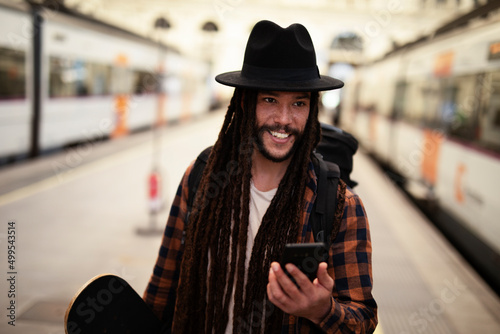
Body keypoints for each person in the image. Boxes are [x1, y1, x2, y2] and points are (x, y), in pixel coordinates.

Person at [143, 20, 377, 334]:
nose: (283, 119)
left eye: (298, 103)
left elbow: (362, 321)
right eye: (269, 100)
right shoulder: (202, 177)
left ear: (312, 109)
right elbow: (161, 290)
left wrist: (322, 309)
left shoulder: (338, 203)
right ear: (244, 102)